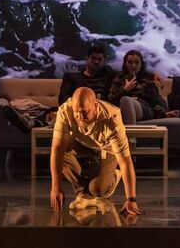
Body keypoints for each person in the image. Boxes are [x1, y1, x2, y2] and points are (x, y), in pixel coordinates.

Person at [50, 87, 142, 218]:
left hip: (105, 149)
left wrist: (131, 199)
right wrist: (55, 186)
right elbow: (57, 149)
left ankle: (113, 176)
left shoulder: (112, 119)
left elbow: (125, 161)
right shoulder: (65, 110)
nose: (79, 117)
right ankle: (83, 193)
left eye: (85, 112)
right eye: (76, 112)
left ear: (95, 106)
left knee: (98, 190)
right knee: (61, 150)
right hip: (80, 143)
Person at [107, 50, 179, 124]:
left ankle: (130, 135)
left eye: (136, 62)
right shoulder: (118, 79)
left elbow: (155, 101)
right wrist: (125, 90)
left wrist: (164, 114)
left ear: (141, 64)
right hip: (122, 108)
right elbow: (110, 102)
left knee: (126, 100)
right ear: (125, 64)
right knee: (125, 100)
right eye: (130, 62)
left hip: (144, 108)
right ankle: (131, 134)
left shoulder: (147, 80)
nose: (133, 65)